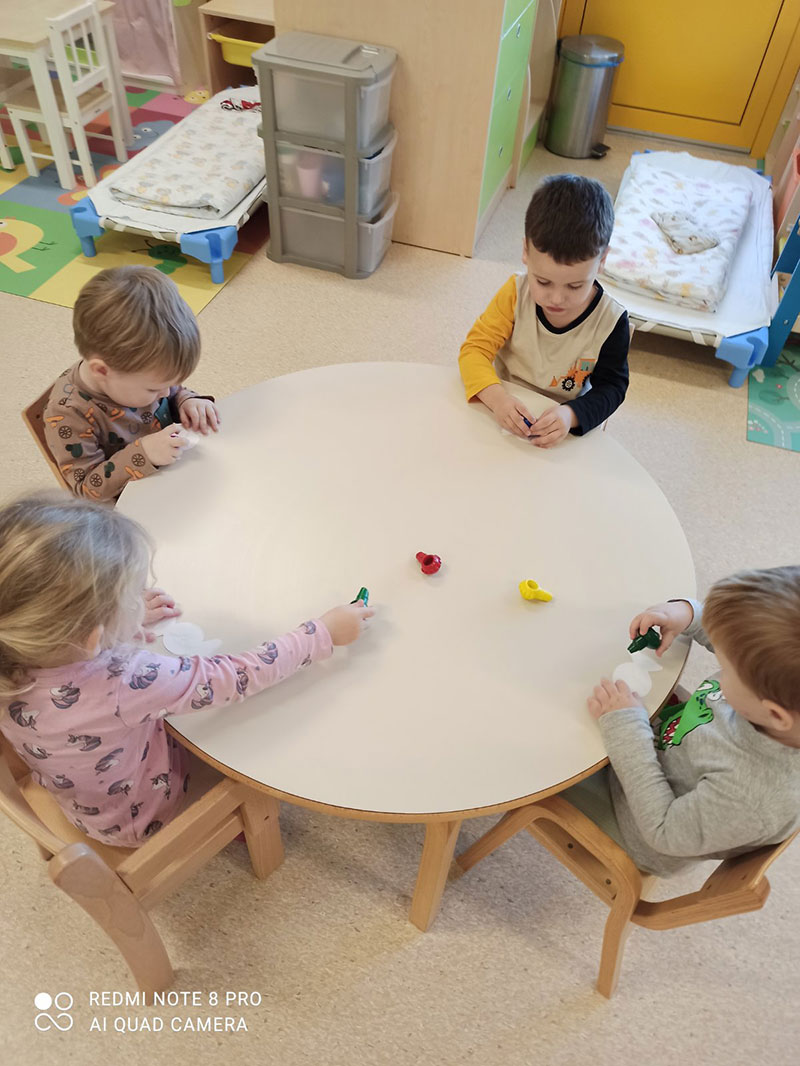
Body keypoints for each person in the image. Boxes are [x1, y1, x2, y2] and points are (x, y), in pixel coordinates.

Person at [0, 493, 374, 846]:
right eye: (130, 596)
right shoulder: (122, 680)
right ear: (91, 637)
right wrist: (322, 634)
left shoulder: (12, 649)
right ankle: (228, 824)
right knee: (252, 745)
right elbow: (234, 677)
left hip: (81, 805)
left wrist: (120, 621)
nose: (138, 599)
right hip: (143, 816)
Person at [570, 567, 800, 876]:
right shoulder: (776, 699)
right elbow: (737, 640)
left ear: (775, 714)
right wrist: (689, 614)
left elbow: (662, 831)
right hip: (659, 738)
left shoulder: (751, 798)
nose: (720, 663)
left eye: (726, 669)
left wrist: (627, 731)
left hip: (634, 822)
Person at [458, 174, 629, 448]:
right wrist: (497, 399)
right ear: (525, 251)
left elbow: (612, 388)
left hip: (560, 427)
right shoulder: (516, 293)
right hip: (502, 406)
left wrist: (571, 415)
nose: (557, 298)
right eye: (543, 282)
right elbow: (474, 351)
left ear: (602, 261)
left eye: (575, 286)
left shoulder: (610, 321)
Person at [42, 265, 220, 501]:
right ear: (101, 371)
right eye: (154, 389)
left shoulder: (132, 372)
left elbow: (170, 391)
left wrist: (186, 400)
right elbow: (86, 490)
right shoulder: (68, 414)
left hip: (174, 476)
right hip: (134, 504)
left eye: (172, 384)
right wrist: (144, 454)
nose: (166, 393)